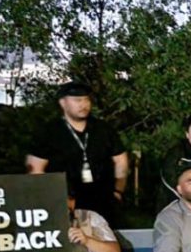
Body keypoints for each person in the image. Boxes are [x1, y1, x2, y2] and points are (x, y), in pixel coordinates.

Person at [26, 82, 129, 223]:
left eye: (86, 100)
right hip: (63, 199)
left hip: (102, 199)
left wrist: (118, 191)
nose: (83, 104)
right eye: (77, 100)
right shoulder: (49, 132)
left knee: (104, 233)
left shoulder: (103, 129)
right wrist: (48, 198)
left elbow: (121, 160)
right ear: (63, 103)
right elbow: (35, 169)